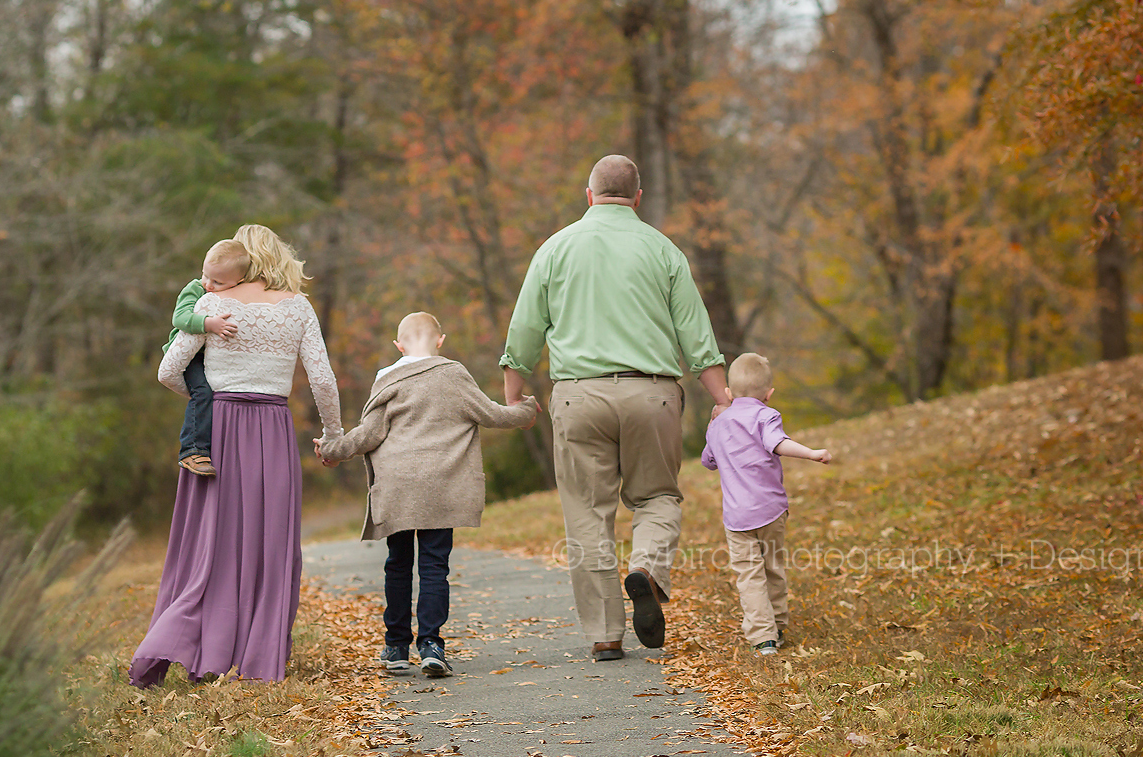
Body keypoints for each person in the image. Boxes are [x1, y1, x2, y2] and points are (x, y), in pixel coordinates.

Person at [500, 155, 728, 661]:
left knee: (586, 513)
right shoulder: (662, 249)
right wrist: (723, 397)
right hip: (652, 394)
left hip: (579, 396)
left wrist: (514, 393)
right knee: (657, 498)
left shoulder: (555, 249)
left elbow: (524, 330)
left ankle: (605, 634)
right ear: (638, 197)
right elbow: (696, 333)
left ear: (589, 194)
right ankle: (645, 567)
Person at [132, 224, 343, 687]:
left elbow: (169, 370)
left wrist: (205, 399)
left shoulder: (211, 304)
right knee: (268, 543)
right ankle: (258, 654)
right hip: (272, 429)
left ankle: (195, 646)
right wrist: (332, 435)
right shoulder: (298, 308)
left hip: (218, 433)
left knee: (211, 542)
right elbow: (323, 381)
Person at [316, 312, 538, 678]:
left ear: (398, 345)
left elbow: (368, 434)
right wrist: (526, 410)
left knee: (398, 565)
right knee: (435, 566)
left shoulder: (387, 379)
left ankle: (396, 646)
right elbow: (492, 414)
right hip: (442, 487)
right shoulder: (454, 374)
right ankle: (432, 645)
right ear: (440, 340)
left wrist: (332, 449)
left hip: (398, 487)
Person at [699, 352, 832, 656]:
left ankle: (764, 639)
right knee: (773, 566)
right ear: (769, 395)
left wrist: (713, 425)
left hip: (737, 518)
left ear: (729, 393)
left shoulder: (719, 424)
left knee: (749, 575)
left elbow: (708, 461)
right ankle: (779, 624)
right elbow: (777, 443)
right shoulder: (765, 416)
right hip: (771, 512)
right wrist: (811, 453)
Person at [166, 239, 248, 476]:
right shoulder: (195, 288)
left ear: (239, 282)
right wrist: (208, 323)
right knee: (202, 392)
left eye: (217, 281)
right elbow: (179, 317)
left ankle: (218, 447)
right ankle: (191, 450)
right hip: (190, 358)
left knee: (217, 393)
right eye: (206, 275)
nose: (208, 284)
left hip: (212, 358)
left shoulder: (237, 296)